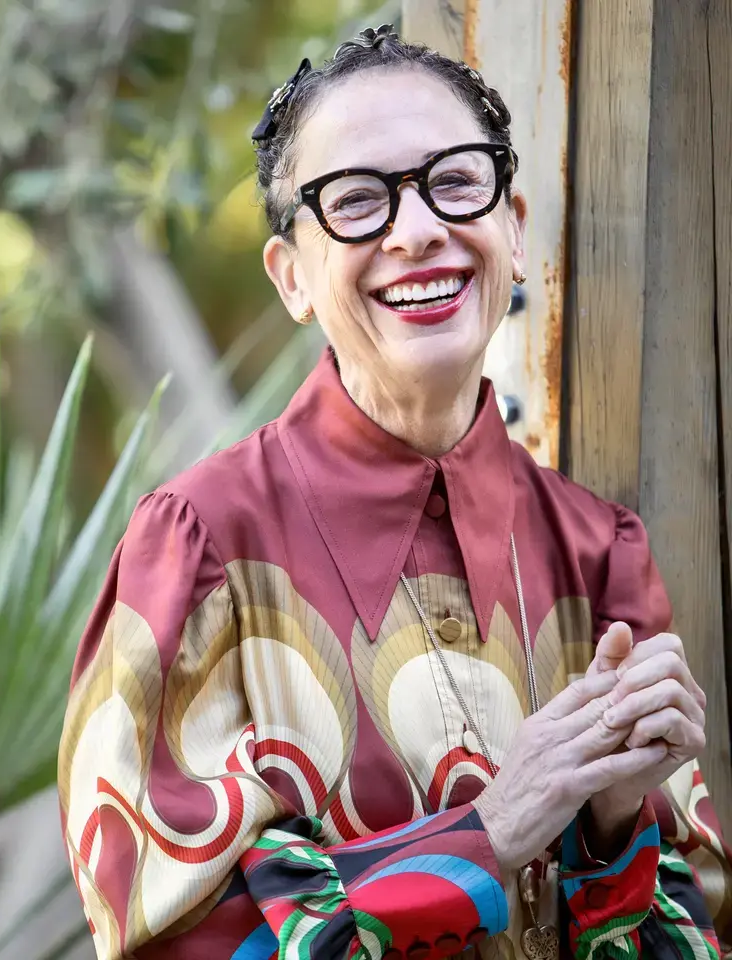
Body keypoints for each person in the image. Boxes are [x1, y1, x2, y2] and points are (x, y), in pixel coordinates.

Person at [58, 25, 732, 960]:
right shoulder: (199, 550)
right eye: (359, 201)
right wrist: (491, 832)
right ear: (292, 277)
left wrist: (612, 825)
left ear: (513, 225)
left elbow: (695, 933)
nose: (417, 231)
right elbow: (174, 940)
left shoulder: (600, 552)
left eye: (456, 181)